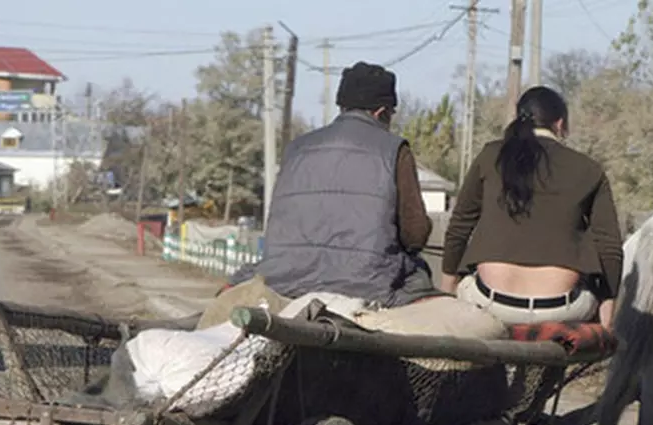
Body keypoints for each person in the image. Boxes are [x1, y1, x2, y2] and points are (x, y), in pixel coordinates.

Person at [228, 61, 441, 308]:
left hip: (282, 279)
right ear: (381, 112)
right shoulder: (394, 149)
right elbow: (414, 235)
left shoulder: (297, 148)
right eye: (391, 114)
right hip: (369, 283)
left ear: (342, 106)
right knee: (421, 280)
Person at [439, 86, 623, 328]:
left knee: (464, 286)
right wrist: (608, 301)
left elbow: (460, 226)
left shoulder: (490, 155)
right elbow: (609, 247)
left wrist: (448, 286)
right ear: (559, 124)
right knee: (589, 296)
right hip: (562, 308)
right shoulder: (589, 168)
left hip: (490, 301)